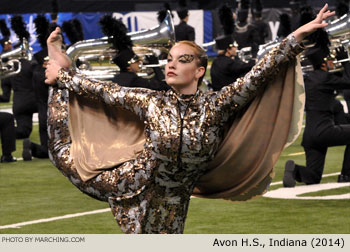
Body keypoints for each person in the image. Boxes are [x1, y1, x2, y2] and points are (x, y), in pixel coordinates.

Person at [45, 4, 334, 234]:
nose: (171, 64)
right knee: (62, 154)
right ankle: (56, 64)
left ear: (199, 71)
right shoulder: (150, 101)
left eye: (182, 60)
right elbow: (104, 91)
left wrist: (297, 37)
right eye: (170, 58)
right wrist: (63, 76)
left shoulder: (217, 104)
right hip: (127, 184)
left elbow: (258, 76)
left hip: (174, 201)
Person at [283, 46, 350, 187]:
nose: (333, 62)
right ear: (324, 63)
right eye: (330, 60)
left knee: (313, 176)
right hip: (325, 130)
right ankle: (346, 174)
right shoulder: (325, 78)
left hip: (310, 135)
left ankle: (295, 170)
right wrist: (345, 61)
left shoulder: (307, 80)